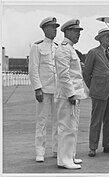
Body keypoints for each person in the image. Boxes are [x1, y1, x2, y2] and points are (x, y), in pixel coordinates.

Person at [54, 19, 87, 169]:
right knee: (66, 127)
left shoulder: (70, 48)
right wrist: (71, 94)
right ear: (67, 32)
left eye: (79, 32)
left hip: (74, 94)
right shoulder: (63, 49)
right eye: (75, 32)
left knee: (72, 127)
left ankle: (70, 156)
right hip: (67, 95)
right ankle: (64, 160)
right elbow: (63, 74)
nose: (78, 35)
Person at [83, 28, 109, 157]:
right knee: (96, 120)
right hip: (99, 92)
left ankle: (107, 144)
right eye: (107, 37)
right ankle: (93, 146)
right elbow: (86, 74)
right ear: (100, 39)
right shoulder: (93, 53)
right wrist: (93, 87)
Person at [29, 17, 60, 162]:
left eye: (56, 27)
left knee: (58, 121)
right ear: (45, 29)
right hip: (44, 89)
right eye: (53, 27)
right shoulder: (37, 47)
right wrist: (37, 88)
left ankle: (56, 149)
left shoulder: (57, 47)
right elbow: (33, 69)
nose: (55, 30)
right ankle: (40, 152)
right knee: (41, 121)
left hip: (57, 90)